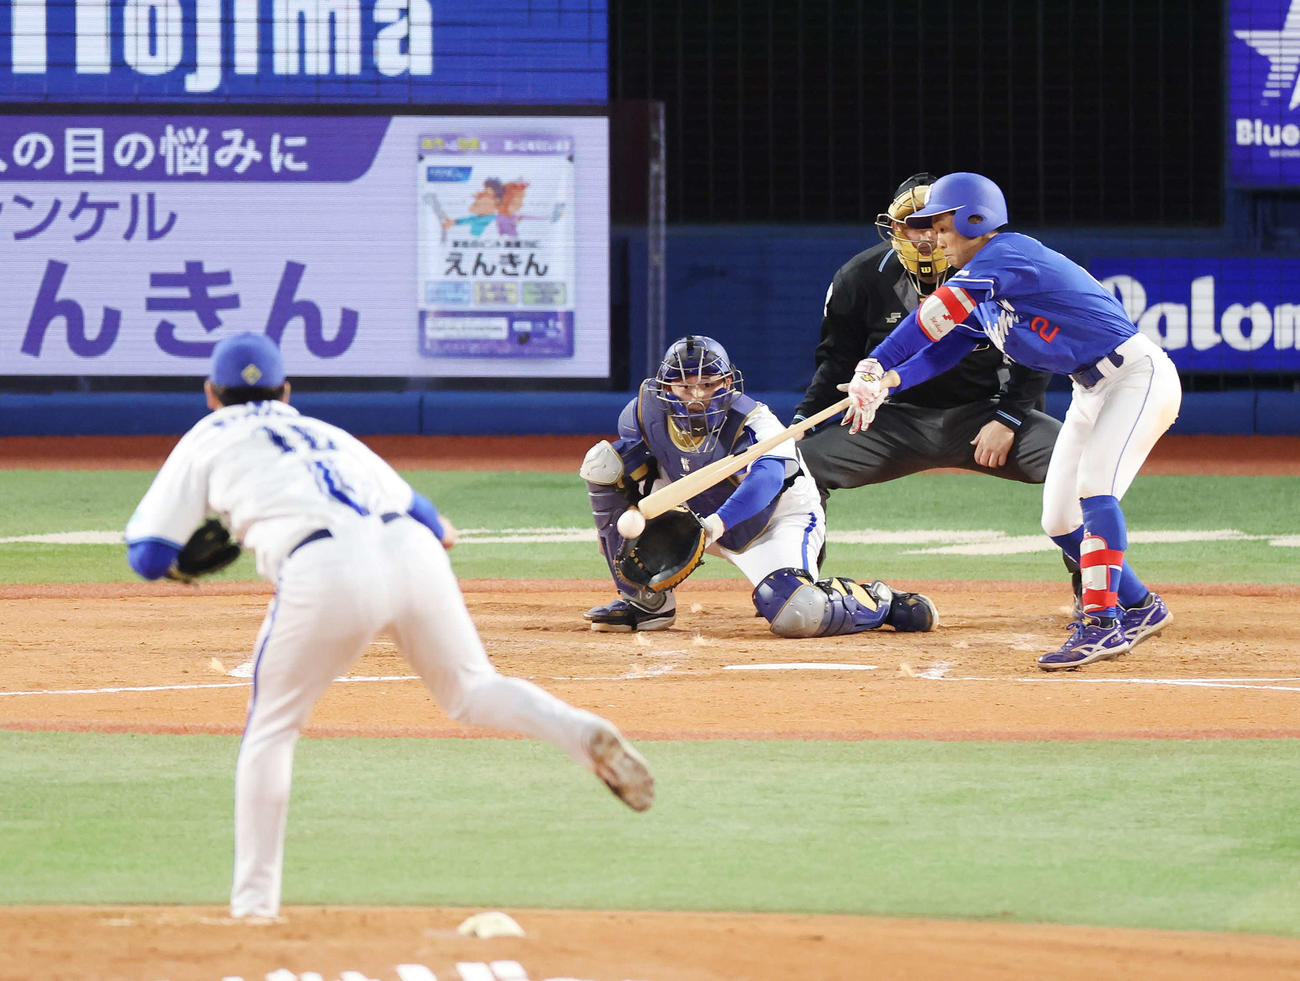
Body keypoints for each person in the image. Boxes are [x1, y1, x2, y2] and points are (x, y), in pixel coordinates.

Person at [124, 332, 654, 920]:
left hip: (322, 568)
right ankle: (580, 733)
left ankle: (254, 909)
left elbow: (147, 555)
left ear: (209, 395)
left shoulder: (206, 436)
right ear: (287, 390)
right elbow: (436, 525)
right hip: (410, 551)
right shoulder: (326, 434)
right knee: (471, 690)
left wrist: (176, 561)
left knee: (272, 729)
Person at [841, 172, 1181, 670]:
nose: (934, 236)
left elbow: (932, 317)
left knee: (1094, 489)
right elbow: (943, 350)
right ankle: (1142, 605)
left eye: (942, 224)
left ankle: (1102, 624)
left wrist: (874, 362)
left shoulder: (1006, 253)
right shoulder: (985, 287)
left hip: (1136, 376)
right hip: (1090, 389)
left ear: (975, 219)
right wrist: (886, 384)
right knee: (1060, 519)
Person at [793, 172, 1078, 609]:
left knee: (1079, 464)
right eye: (914, 223)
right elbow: (835, 362)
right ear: (892, 228)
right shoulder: (858, 278)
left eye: (937, 225)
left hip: (987, 416)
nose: (927, 237)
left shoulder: (996, 268)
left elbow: (1038, 352)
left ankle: (1098, 593)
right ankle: (801, 592)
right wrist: (802, 423)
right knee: (796, 468)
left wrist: (1010, 418)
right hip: (890, 423)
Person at [580, 334, 938, 638]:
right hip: (690, 513)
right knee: (602, 463)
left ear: (727, 384)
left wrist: (713, 526)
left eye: (708, 384)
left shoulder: (757, 422)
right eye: (685, 385)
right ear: (666, 386)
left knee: (799, 613)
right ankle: (644, 602)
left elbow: (765, 482)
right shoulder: (645, 414)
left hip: (774, 519)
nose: (696, 395)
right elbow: (621, 468)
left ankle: (879, 600)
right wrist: (617, 527)